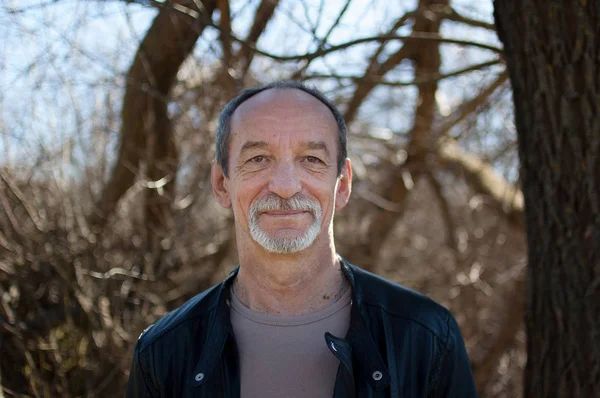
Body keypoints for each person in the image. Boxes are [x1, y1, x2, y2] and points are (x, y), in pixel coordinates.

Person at [126, 81, 477, 397]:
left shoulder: (427, 339)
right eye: (258, 159)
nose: (285, 186)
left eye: (311, 159)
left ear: (342, 185)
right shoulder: (163, 353)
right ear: (222, 184)